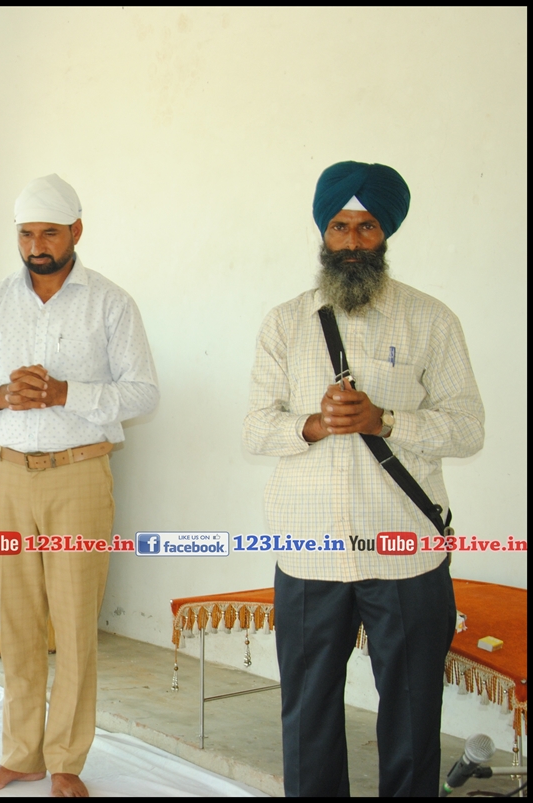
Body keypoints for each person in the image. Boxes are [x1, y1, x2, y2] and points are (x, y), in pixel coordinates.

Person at [243, 161, 485, 796]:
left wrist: (387, 420)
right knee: (308, 713)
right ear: (323, 233)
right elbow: (255, 429)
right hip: (309, 549)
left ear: (386, 234)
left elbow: (468, 429)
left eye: (367, 227)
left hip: (404, 550)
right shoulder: (284, 323)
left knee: (412, 715)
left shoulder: (431, 319)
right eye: (340, 227)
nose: (352, 241)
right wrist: (313, 425)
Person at [0, 175, 159, 797]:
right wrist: (2, 395)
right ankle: (21, 755)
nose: (36, 246)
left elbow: (143, 393)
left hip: (79, 476)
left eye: (49, 233)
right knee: (16, 621)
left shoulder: (111, 304)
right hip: (6, 474)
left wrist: (68, 393)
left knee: (73, 623)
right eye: (26, 234)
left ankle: (66, 759)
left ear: (76, 232)